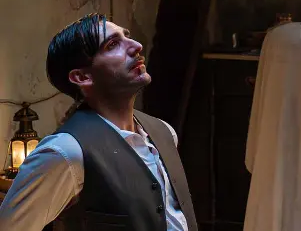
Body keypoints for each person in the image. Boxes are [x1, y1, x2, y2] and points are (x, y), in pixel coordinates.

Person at [0, 13, 198, 231]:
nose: (136, 46)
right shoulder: (66, 152)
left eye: (127, 36)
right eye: (112, 44)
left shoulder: (164, 132)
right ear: (82, 77)